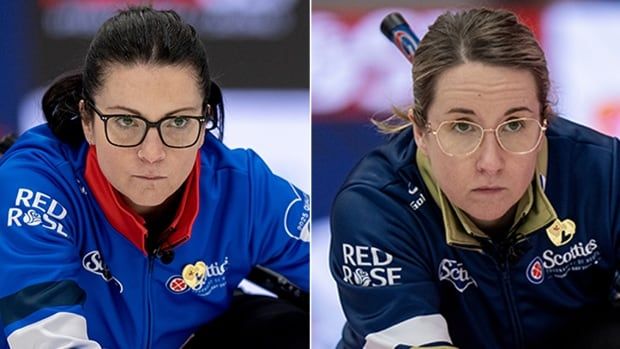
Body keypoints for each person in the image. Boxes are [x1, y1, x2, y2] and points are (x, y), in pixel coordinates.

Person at [0, 6, 310, 349]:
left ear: (203, 120)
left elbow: (350, 283)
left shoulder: (244, 190)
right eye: (126, 122)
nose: (152, 153)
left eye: (177, 122)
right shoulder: (36, 185)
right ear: (88, 120)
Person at [329, 7, 620, 349]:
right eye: (462, 127)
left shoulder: (606, 173)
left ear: (544, 123)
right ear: (421, 131)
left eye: (514, 125)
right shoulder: (376, 207)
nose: (490, 162)